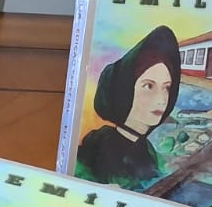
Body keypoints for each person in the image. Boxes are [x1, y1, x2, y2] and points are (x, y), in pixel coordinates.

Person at [74, 25, 183, 190]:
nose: (162, 100)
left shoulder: (148, 151)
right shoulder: (93, 154)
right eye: (149, 86)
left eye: (166, 87)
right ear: (125, 90)